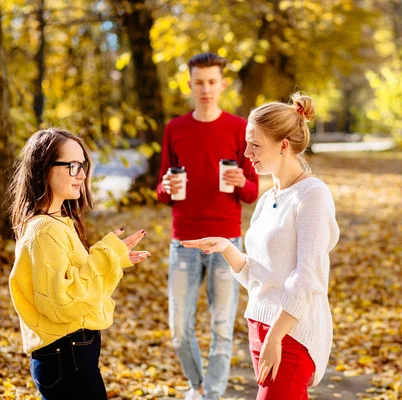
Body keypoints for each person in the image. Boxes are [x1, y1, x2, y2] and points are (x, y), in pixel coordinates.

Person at [182, 93, 340, 400]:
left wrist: (276, 337)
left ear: (283, 145)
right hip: (261, 327)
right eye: (246, 143)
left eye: (255, 144)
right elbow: (258, 274)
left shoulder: (312, 195)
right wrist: (227, 248)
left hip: (290, 334)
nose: (246, 152)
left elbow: (307, 275)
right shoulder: (268, 199)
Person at [8, 127, 151, 400]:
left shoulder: (58, 222)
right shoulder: (44, 230)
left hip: (69, 353)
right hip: (67, 354)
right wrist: (105, 255)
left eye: (83, 166)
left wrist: (114, 258)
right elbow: (62, 302)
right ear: (45, 168)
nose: (82, 175)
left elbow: (75, 280)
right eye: (73, 166)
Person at [156, 52, 259, 400]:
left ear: (223, 84)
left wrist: (241, 180)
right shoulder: (175, 129)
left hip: (226, 241)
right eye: (199, 82)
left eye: (212, 82)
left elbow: (251, 193)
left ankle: (210, 395)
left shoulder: (238, 128)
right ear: (190, 84)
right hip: (183, 242)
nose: (206, 89)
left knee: (221, 328)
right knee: (179, 330)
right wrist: (166, 189)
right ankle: (198, 385)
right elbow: (161, 189)